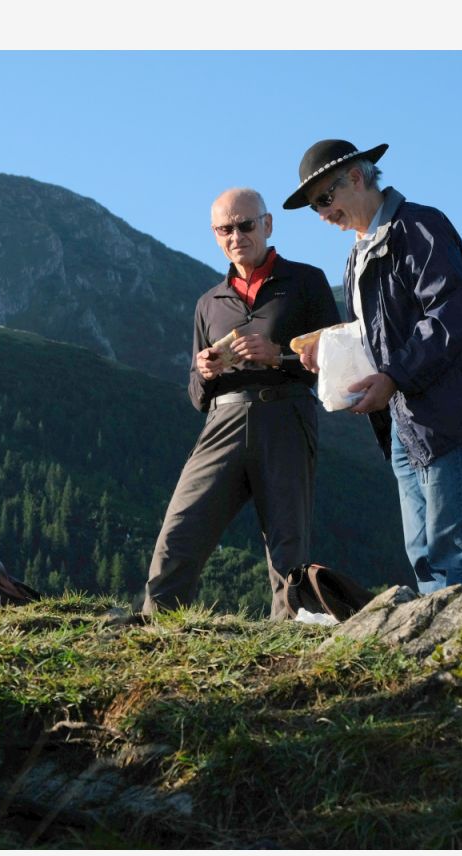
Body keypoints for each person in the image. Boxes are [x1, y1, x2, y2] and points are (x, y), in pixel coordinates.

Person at [283, 139, 462, 594]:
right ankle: (437, 633)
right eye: (314, 206)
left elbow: (452, 314)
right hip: (403, 416)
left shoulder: (417, 227)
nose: (322, 214)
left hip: (446, 411)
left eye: (325, 199)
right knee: (422, 551)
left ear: (357, 177)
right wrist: (328, 349)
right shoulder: (358, 253)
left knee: (454, 549)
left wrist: (394, 376)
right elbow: (376, 334)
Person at [138, 188, 340, 618]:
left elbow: (338, 362)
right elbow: (196, 395)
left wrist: (279, 356)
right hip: (222, 419)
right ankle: (155, 631)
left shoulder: (307, 282)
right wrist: (205, 371)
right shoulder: (208, 303)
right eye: (224, 229)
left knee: (288, 545)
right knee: (180, 531)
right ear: (214, 235)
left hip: (286, 416)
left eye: (245, 225)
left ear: (267, 225)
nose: (236, 236)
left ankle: (289, 640)